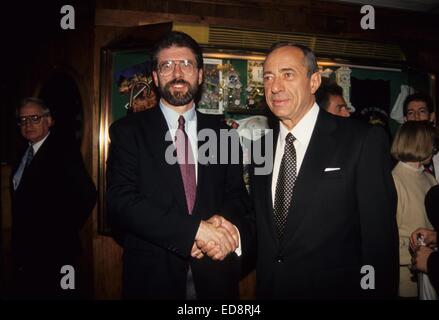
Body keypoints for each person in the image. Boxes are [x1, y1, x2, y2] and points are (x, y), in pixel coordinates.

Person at [106, 31, 253, 300]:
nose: (177, 73)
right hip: (151, 279)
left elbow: (237, 197)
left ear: (200, 75)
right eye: (166, 65)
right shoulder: (127, 132)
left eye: (186, 64)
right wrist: (195, 231)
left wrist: (219, 222)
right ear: (155, 77)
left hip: (216, 273)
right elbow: (121, 202)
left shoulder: (223, 134)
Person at [250, 42, 398, 299]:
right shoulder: (259, 147)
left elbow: (380, 243)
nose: (275, 87)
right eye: (268, 77)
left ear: (314, 81)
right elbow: (262, 228)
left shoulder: (361, 140)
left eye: (288, 74)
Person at [10, 97, 97, 299]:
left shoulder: (63, 151)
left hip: (56, 254)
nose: (28, 124)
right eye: (23, 120)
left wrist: (61, 230)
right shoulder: (23, 152)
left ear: (49, 120)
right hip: (26, 255)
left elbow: (87, 194)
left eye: (34, 118)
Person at [390, 121, 437, 298]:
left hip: (430, 277)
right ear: (419, 143)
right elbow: (387, 240)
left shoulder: (429, 179)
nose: (434, 147)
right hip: (408, 282)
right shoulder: (395, 181)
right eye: (431, 142)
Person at [403, 93, 438, 181]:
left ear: (432, 117)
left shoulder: (436, 147)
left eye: (422, 111)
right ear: (405, 119)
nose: (416, 117)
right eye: (411, 113)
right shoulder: (402, 153)